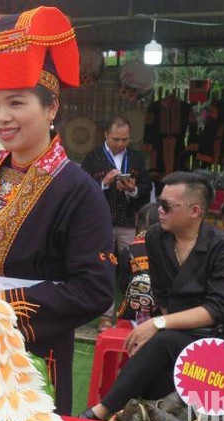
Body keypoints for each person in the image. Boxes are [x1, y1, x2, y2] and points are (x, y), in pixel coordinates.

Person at [0, 6, 115, 415]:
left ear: (51, 109)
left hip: (32, 350)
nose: (1, 118)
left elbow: (94, 290)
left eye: (16, 103)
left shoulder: (78, 190)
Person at [81, 171, 224, 420]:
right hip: (177, 331)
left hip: (219, 337)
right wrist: (164, 325)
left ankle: (102, 411)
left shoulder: (223, 248)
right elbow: (161, 294)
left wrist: (159, 324)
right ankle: (140, 418)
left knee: (161, 341)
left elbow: (216, 310)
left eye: (167, 206)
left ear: (195, 211)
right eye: (160, 203)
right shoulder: (156, 237)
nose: (160, 210)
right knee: (156, 355)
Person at [82, 117, 151, 330]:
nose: (121, 143)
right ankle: (105, 316)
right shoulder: (93, 158)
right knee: (105, 267)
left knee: (135, 267)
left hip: (128, 222)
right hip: (101, 224)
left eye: (125, 139)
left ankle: (132, 316)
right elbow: (82, 189)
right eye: (116, 139)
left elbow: (147, 187)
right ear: (106, 135)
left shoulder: (136, 158)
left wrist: (132, 189)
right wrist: (104, 183)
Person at [116, 202, 160, 326]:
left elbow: (123, 285)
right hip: (161, 314)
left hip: (131, 312)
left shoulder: (128, 250)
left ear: (138, 222)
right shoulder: (170, 249)